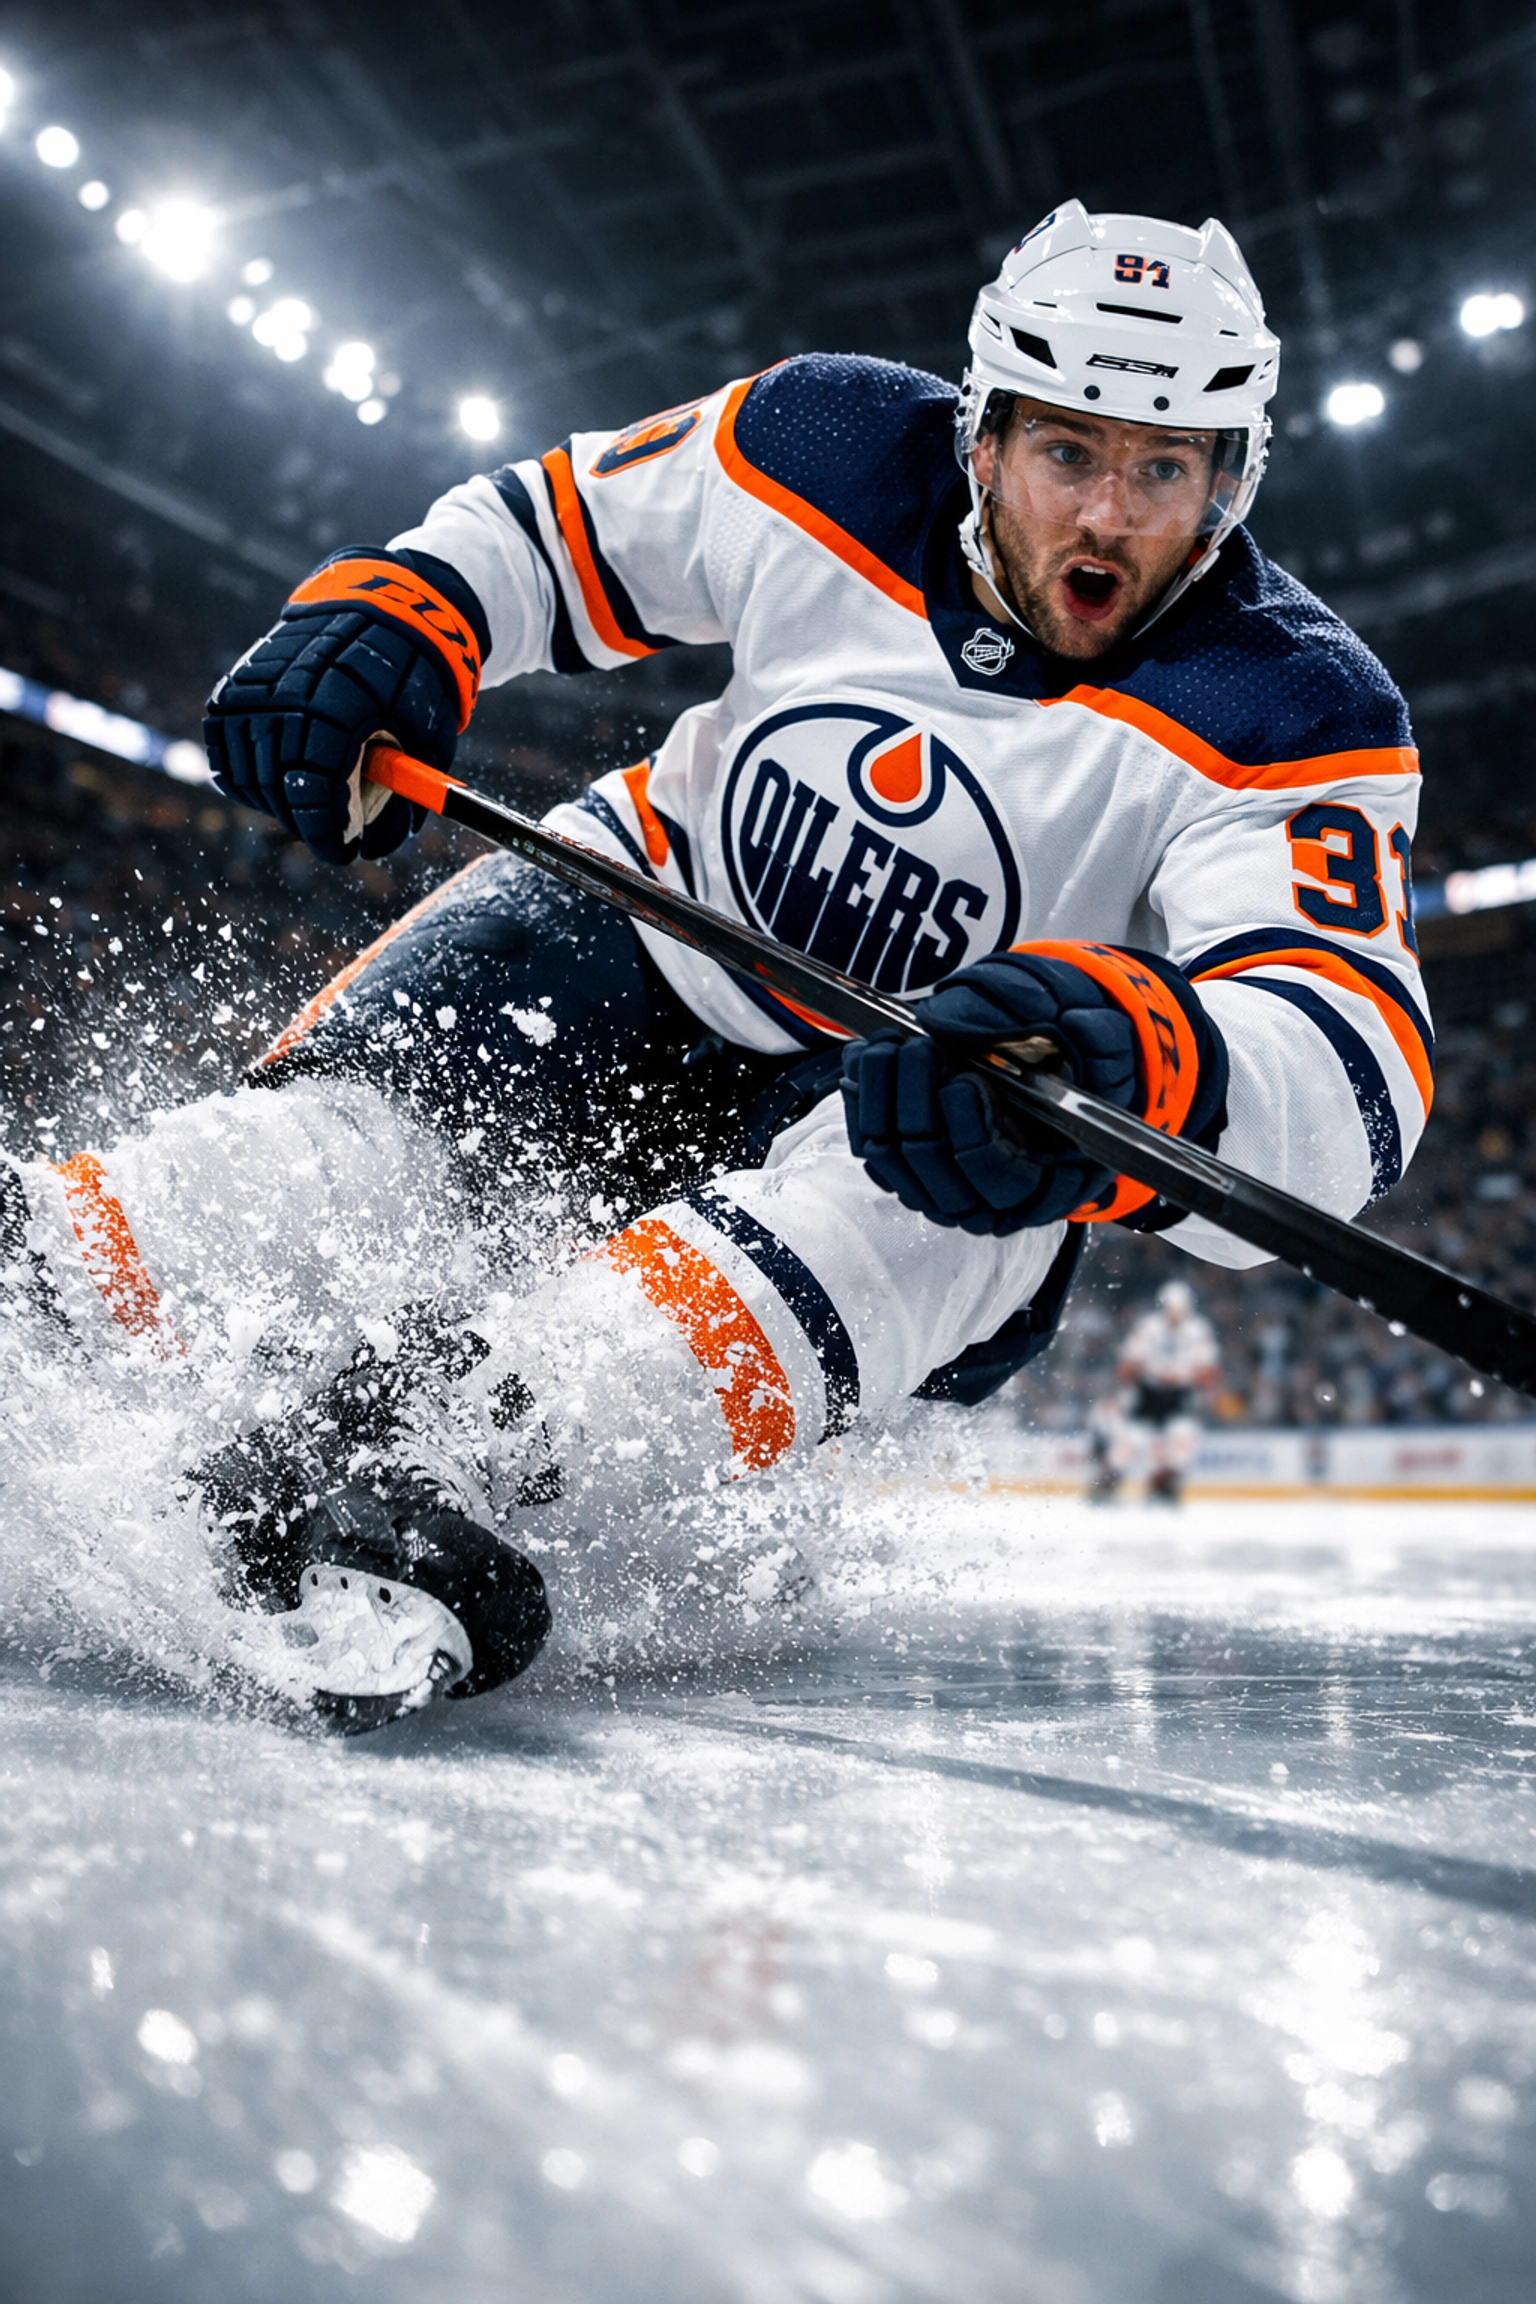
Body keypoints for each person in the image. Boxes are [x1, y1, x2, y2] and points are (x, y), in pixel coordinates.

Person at [0, 202, 1432, 1726]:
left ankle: (470, 1444)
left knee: (972, 1183)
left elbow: (1351, 1056)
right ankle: (57, 1280)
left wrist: (1159, 1059)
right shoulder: (826, 440)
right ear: (984, 433)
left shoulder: (1296, 705)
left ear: (1231, 479)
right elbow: (560, 528)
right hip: (627, 928)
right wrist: (410, 613)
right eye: (1068, 454)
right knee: (328, 1159)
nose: (1107, 521)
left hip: (917, 1094)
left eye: (1164, 471)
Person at [1087, 1280, 1221, 1505]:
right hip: (1148, 1392)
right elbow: (1127, 1365)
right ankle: (1106, 1484)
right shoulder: (1149, 1327)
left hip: (1181, 1394)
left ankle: (1164, 1487)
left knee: (1181, 1442)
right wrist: (1143, 1376)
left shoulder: (1198, 1330)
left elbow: (1208, 1370)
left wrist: (1183, 1378)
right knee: (1130, 1441)